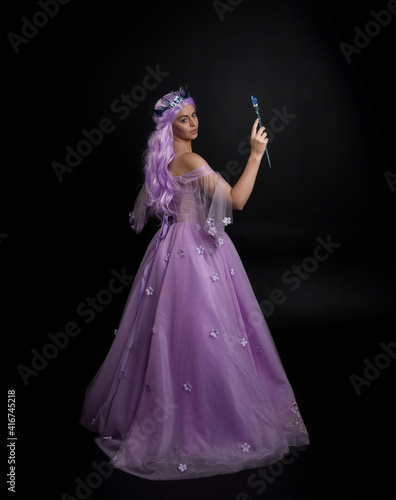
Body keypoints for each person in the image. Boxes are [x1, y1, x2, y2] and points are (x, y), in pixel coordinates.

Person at [80, 87, 309, 480]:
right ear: (171, 126)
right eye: (184, 118)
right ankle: (204, 422)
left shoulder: (165, 161)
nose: (193, 122)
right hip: (196, 254)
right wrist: (255, 154)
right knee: (208, 333)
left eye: (194, 115)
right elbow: (236, 200)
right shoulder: (189, 159)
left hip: (168, 249)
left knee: (175, 335)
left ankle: (180, 410)